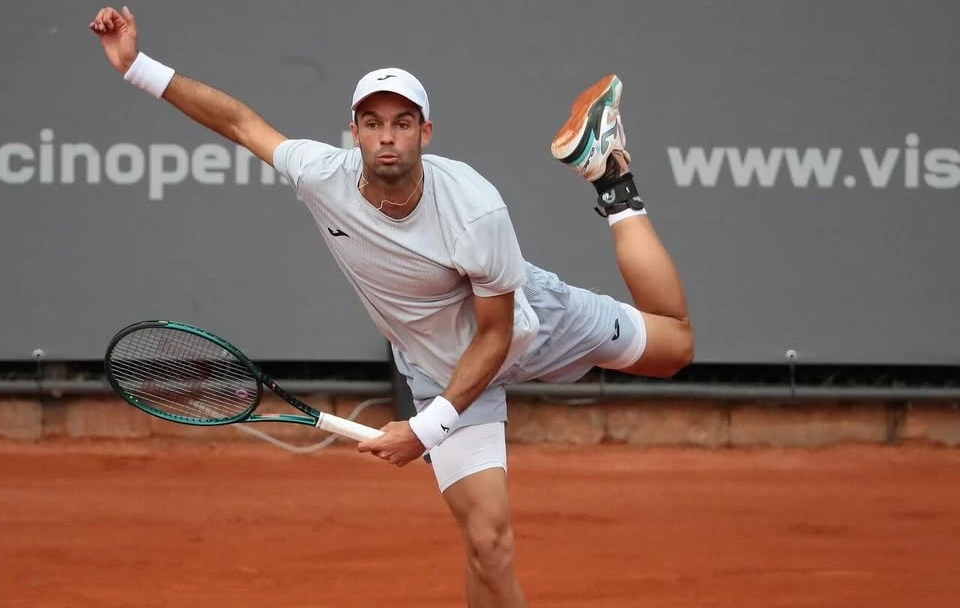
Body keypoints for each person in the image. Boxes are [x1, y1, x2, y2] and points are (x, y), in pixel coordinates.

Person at [90, 6, 693, 608]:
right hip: (443, 370)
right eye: (372, 122)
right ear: (353, 132)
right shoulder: (321, 174)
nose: (386, 136)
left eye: (402, 123)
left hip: (524, 323)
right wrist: (135, 66)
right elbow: (241, 123)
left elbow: (495, 334)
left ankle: (611, 179)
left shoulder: (474, 208)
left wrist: (424, 431)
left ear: (425, 133)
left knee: (675, 348)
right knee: (488, 545)